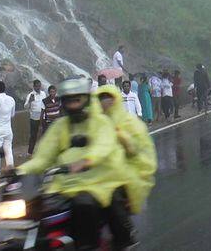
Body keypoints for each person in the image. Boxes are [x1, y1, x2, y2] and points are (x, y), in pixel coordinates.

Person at [18, 78, 129, 250]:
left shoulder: (100, 122)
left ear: (86, 99)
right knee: (36, 207)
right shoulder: (59, 126)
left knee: (83, 202)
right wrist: (18, 170)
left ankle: (89, 246)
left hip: (97, 180)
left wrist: (86, 161)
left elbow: (103, 146)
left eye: (76, 100)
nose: (72, 105)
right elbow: (42, 158)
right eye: (68, 100)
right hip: (64, 183)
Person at [94, 85, 157, 249]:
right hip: (99, 174)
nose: (104, 103)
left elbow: (141, 153)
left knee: (113, 197)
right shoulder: (94, 124)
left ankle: (125, 236)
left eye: (108, 99)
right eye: (101, 99)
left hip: (127, 175)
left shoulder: (130, 124)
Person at [25, 79, 47, 155]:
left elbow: (45, 104)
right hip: (34, 118)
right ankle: (30, 152)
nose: (38, 88)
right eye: (37, 86)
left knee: (44, 134)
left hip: (43, 117)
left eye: (39, 86)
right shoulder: (30, 95)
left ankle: (44, 150)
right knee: (33, 135)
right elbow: (26, 107)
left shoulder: (43, 93)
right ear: (33, 87)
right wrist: (30, 101)